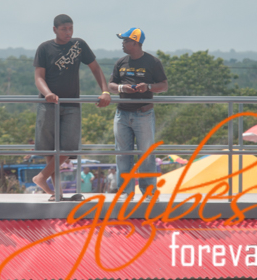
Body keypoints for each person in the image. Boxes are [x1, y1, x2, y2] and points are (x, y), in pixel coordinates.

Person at [31, 14, 111, 201]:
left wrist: (105, 91)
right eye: (64, 29)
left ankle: (41, 177)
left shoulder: (79, 45)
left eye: (70, 28)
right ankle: (56, 194)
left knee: (68, 147)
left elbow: (95, 68)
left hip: (72, 104)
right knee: (51, 149)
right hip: (48, 104)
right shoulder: (44, 48)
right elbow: (39, 77)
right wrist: (48, 93)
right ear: (55, 30)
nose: (68, 33)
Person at [109, 28, 168, 201]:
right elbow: (111, 85)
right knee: (122, 154)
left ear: (135, 43)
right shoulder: (120, 62)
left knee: (146, 155)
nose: (122, 44)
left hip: (144, 113)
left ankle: (149, 193)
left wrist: (148, 87)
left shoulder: (153, 62)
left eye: (125, 40)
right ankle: (125, 192)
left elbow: (164, 85)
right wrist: (122, 88)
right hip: (122, 114)